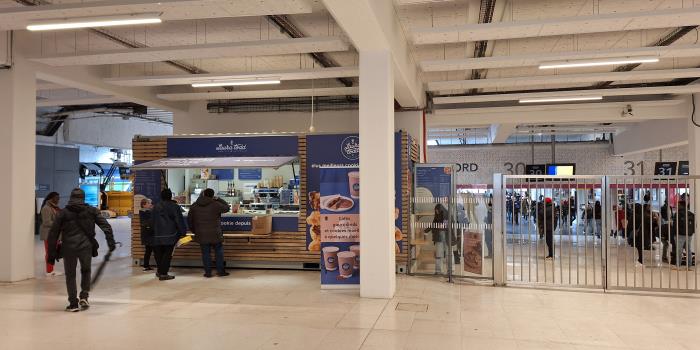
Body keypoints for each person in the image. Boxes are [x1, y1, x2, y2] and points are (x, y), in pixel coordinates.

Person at [47, 188, 115, 312]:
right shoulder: (92, 211)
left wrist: (51, 255)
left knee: (70, 275)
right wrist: (111, 242)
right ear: (83, 198)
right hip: (86, 247)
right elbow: (106, 226)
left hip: (69, 248)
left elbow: (53, 234)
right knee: (86, 271)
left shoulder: (63, 213)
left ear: (71, 197)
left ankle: (73, 303)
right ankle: (84, 296)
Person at [188, 188, 231, 278]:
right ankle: (220, 271)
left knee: (205, 253)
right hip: (215, 233)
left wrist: (195, 231)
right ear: (212, 195)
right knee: (218, 252)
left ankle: (208, 273)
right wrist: (218, 199)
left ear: (203, 194)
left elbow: (190, 220)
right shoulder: (215, 204)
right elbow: (227, 208)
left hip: (201, 234)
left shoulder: (194, 205)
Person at [152, 188, 186, 280]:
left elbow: (152, 221)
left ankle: (159, 271)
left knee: (159, 254)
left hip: (157, 235)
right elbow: (179, 220)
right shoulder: (174, 206)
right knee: (167, 255)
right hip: (170, 235)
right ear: (170, 196)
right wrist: (183, 232)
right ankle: (163, 274)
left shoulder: (155, 206)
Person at [39, 192, 63, 277]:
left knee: (51, 252)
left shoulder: (54, 208)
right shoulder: (46, 208)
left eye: (59, 198)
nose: (58, 199)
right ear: (51, 199)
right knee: (49, 252)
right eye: (57, 198)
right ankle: (49, 271)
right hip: (49, 234)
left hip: (54, 234)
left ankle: (51, 270)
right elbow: (46, 222)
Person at [671, 195, 695, 267]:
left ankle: (678, 265)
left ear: (681, 205)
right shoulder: (691, 214)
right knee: (688, 250)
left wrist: (674, 234)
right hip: (689, 235)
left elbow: (675, 225)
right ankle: (689, 265)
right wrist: (691, 233)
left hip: (679, 234)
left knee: (679, 250)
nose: (677, 206)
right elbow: (694, 225)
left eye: (678, 205)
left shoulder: (677, 214)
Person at [425, 204, 448, 274]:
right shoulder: (437, 216)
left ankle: (450, 271)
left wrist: (439, 226)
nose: (437, 212)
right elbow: (433, 224)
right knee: (438, 254)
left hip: (446, 237)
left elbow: (445, 226)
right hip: (439, 237)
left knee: (448, 254)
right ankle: (438, 271)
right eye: (436, 211)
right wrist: (426, 231)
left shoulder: (446, 214)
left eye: (437, 211)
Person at [138, 197, 155, 272]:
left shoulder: (145, 212)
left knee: (148, 250)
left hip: (147, 234)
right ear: (144, 205)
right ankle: (146, 266)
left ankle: (146, 265)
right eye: (149, 203)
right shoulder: (146, 212)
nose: (150, 204)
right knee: (152, 250)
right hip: (149, 234)